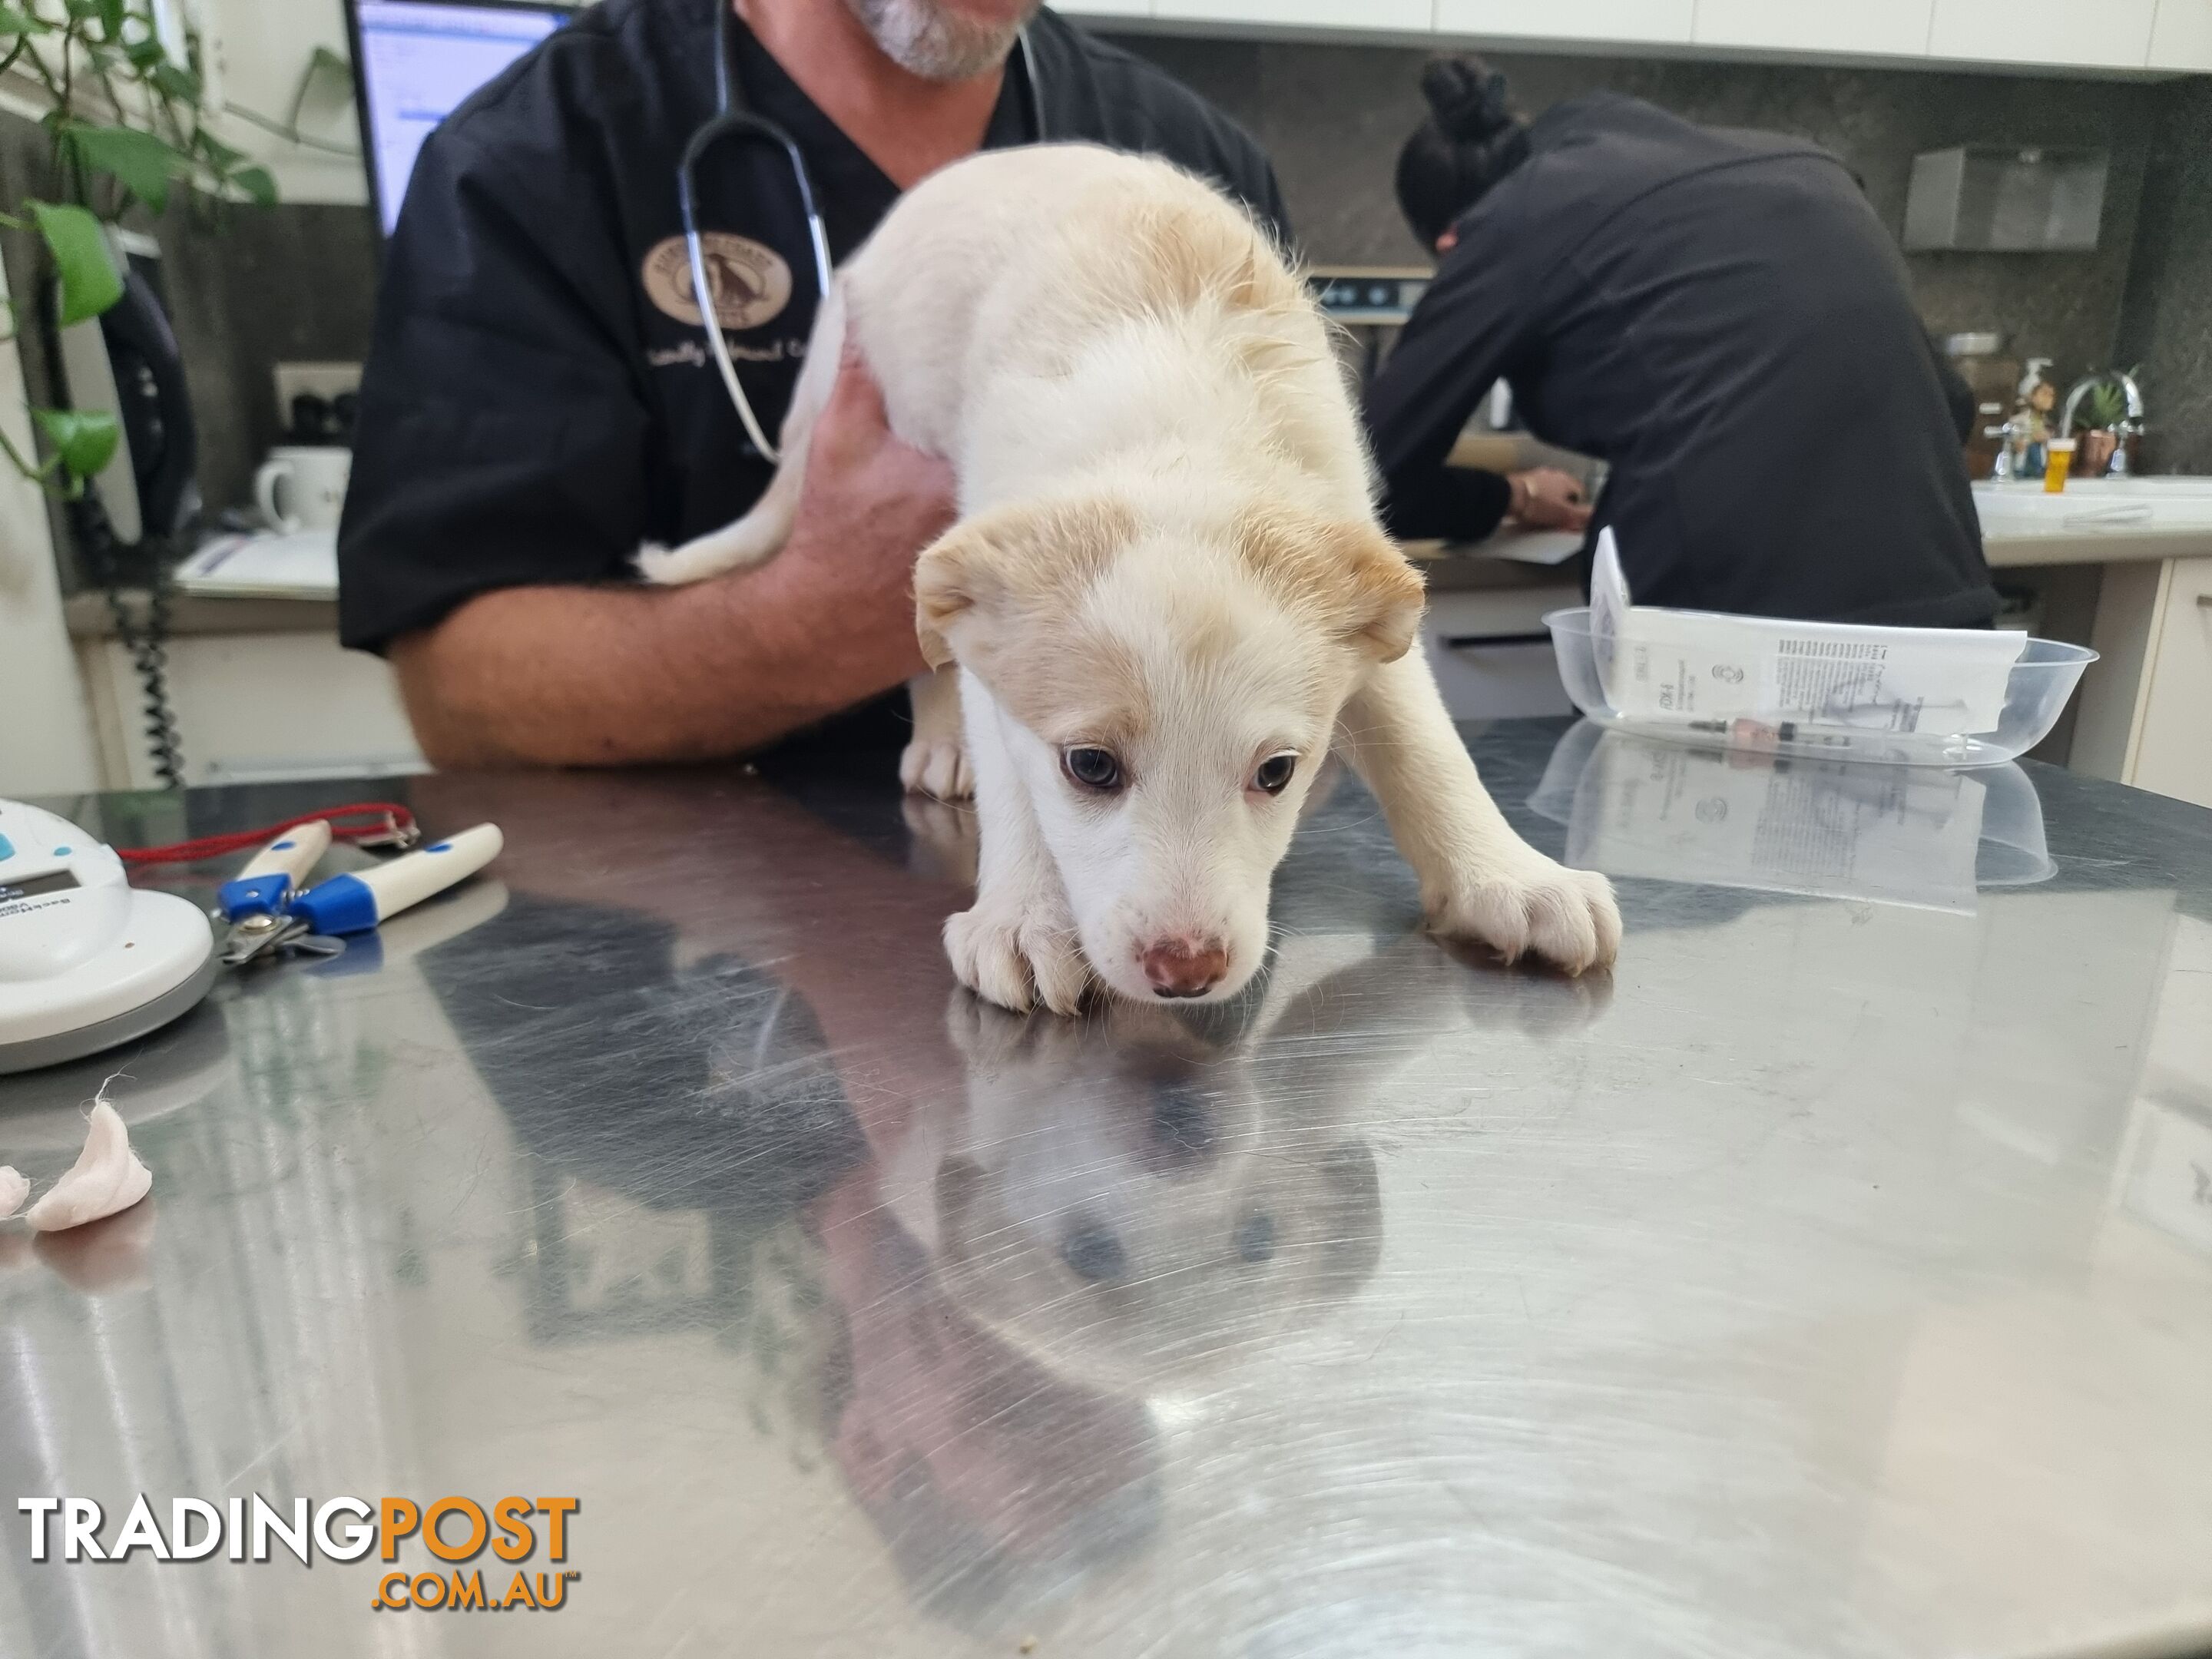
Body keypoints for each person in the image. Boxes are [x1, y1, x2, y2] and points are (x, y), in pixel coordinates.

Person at [337, 0, 1287, 767]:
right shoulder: (534, 159)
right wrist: (817, 618)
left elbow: (1300, 597)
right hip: (685, 942)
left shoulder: (1194, 173)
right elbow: (461, 697)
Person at [1366, 57, 1998, 628]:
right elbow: (1952, 403)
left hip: (1721, 631)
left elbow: (1365, 476)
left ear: (1450, 243)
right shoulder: (1806, 168)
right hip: (1942, 608)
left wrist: (1511, 495)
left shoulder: (1519, 215)